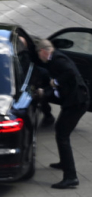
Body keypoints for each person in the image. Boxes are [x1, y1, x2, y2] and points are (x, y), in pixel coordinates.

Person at [36, 39, 90, 189]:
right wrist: (45, 91)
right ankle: (64, 163)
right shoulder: (55, 59)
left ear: (44, 51)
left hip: (77, 103)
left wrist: (56, 82)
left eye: (39, 54)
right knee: (60, 131)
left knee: (62, 135)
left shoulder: (57, 60)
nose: (40, 57)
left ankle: (71, 176)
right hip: (72, 102)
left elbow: (70, 72)